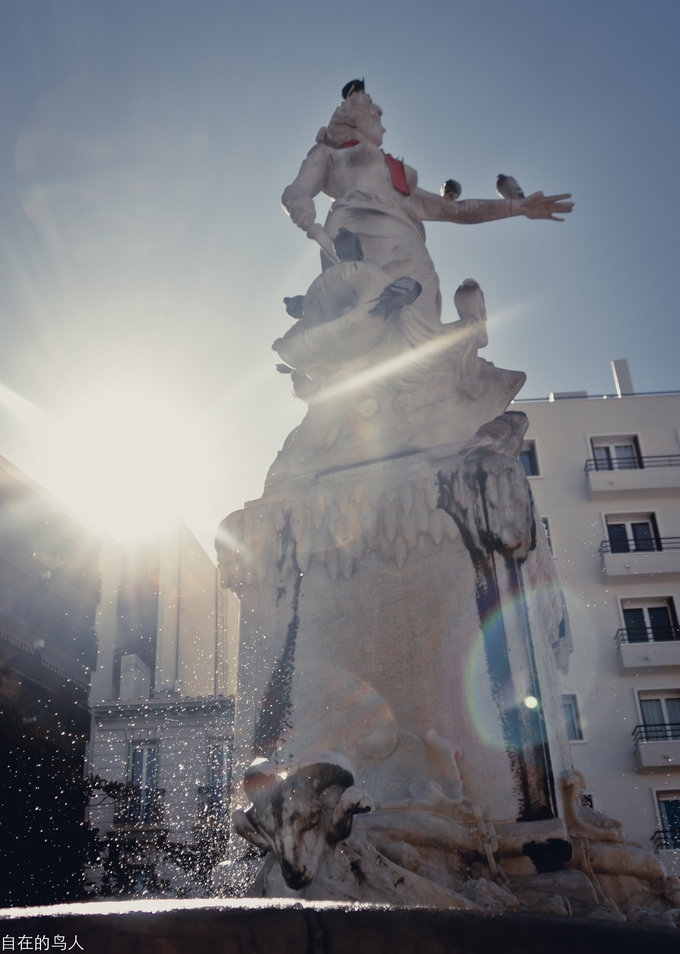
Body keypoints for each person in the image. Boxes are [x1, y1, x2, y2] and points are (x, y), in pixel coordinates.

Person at [282, 85, 573, 326]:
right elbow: (297, 190)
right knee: (365, 320)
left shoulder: (397, 177)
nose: (382, 119)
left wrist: (518, 207)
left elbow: (455, 210)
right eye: (373, 112)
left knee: (417, 325)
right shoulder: (329, 154)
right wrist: (301, 206)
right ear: (353, 119)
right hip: (354, 235)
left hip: (410, 247)